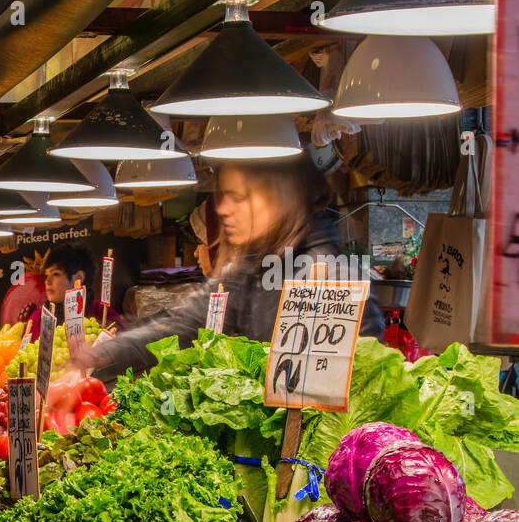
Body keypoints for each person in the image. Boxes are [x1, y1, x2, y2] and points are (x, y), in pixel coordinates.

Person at [72, 157, 384, 383]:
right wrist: (105, 353)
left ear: (280, 197)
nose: (222, 209)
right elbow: (185, 325)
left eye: (238, 197)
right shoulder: (250, 268)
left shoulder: (325, 277)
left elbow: (336, 399)